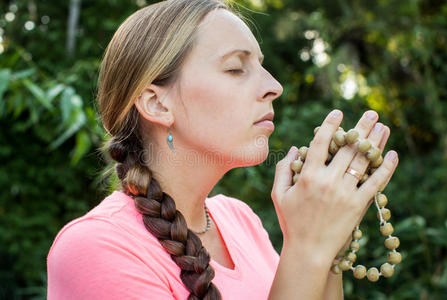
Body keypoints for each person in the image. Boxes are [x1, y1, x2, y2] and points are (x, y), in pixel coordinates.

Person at [46, 0, 398, 299]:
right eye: (235, 68)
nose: (273, 86)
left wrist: (329, 245)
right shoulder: (95, 249)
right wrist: (308, 247)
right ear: (156, 104)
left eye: (261, 65)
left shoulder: (238, 219)